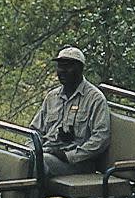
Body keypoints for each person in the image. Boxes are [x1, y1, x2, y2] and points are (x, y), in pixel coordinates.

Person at [32, 46, 110, 178]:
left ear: (80, 69)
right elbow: (35, 130)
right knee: (14, 159)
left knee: (36, 164)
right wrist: (31, 149)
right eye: (60, 67)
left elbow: (101, 138)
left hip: (78, 162)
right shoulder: (52, 96)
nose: (62, 71)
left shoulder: (94, 98)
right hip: (47, 151)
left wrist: (69, 156)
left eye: (68, 67)